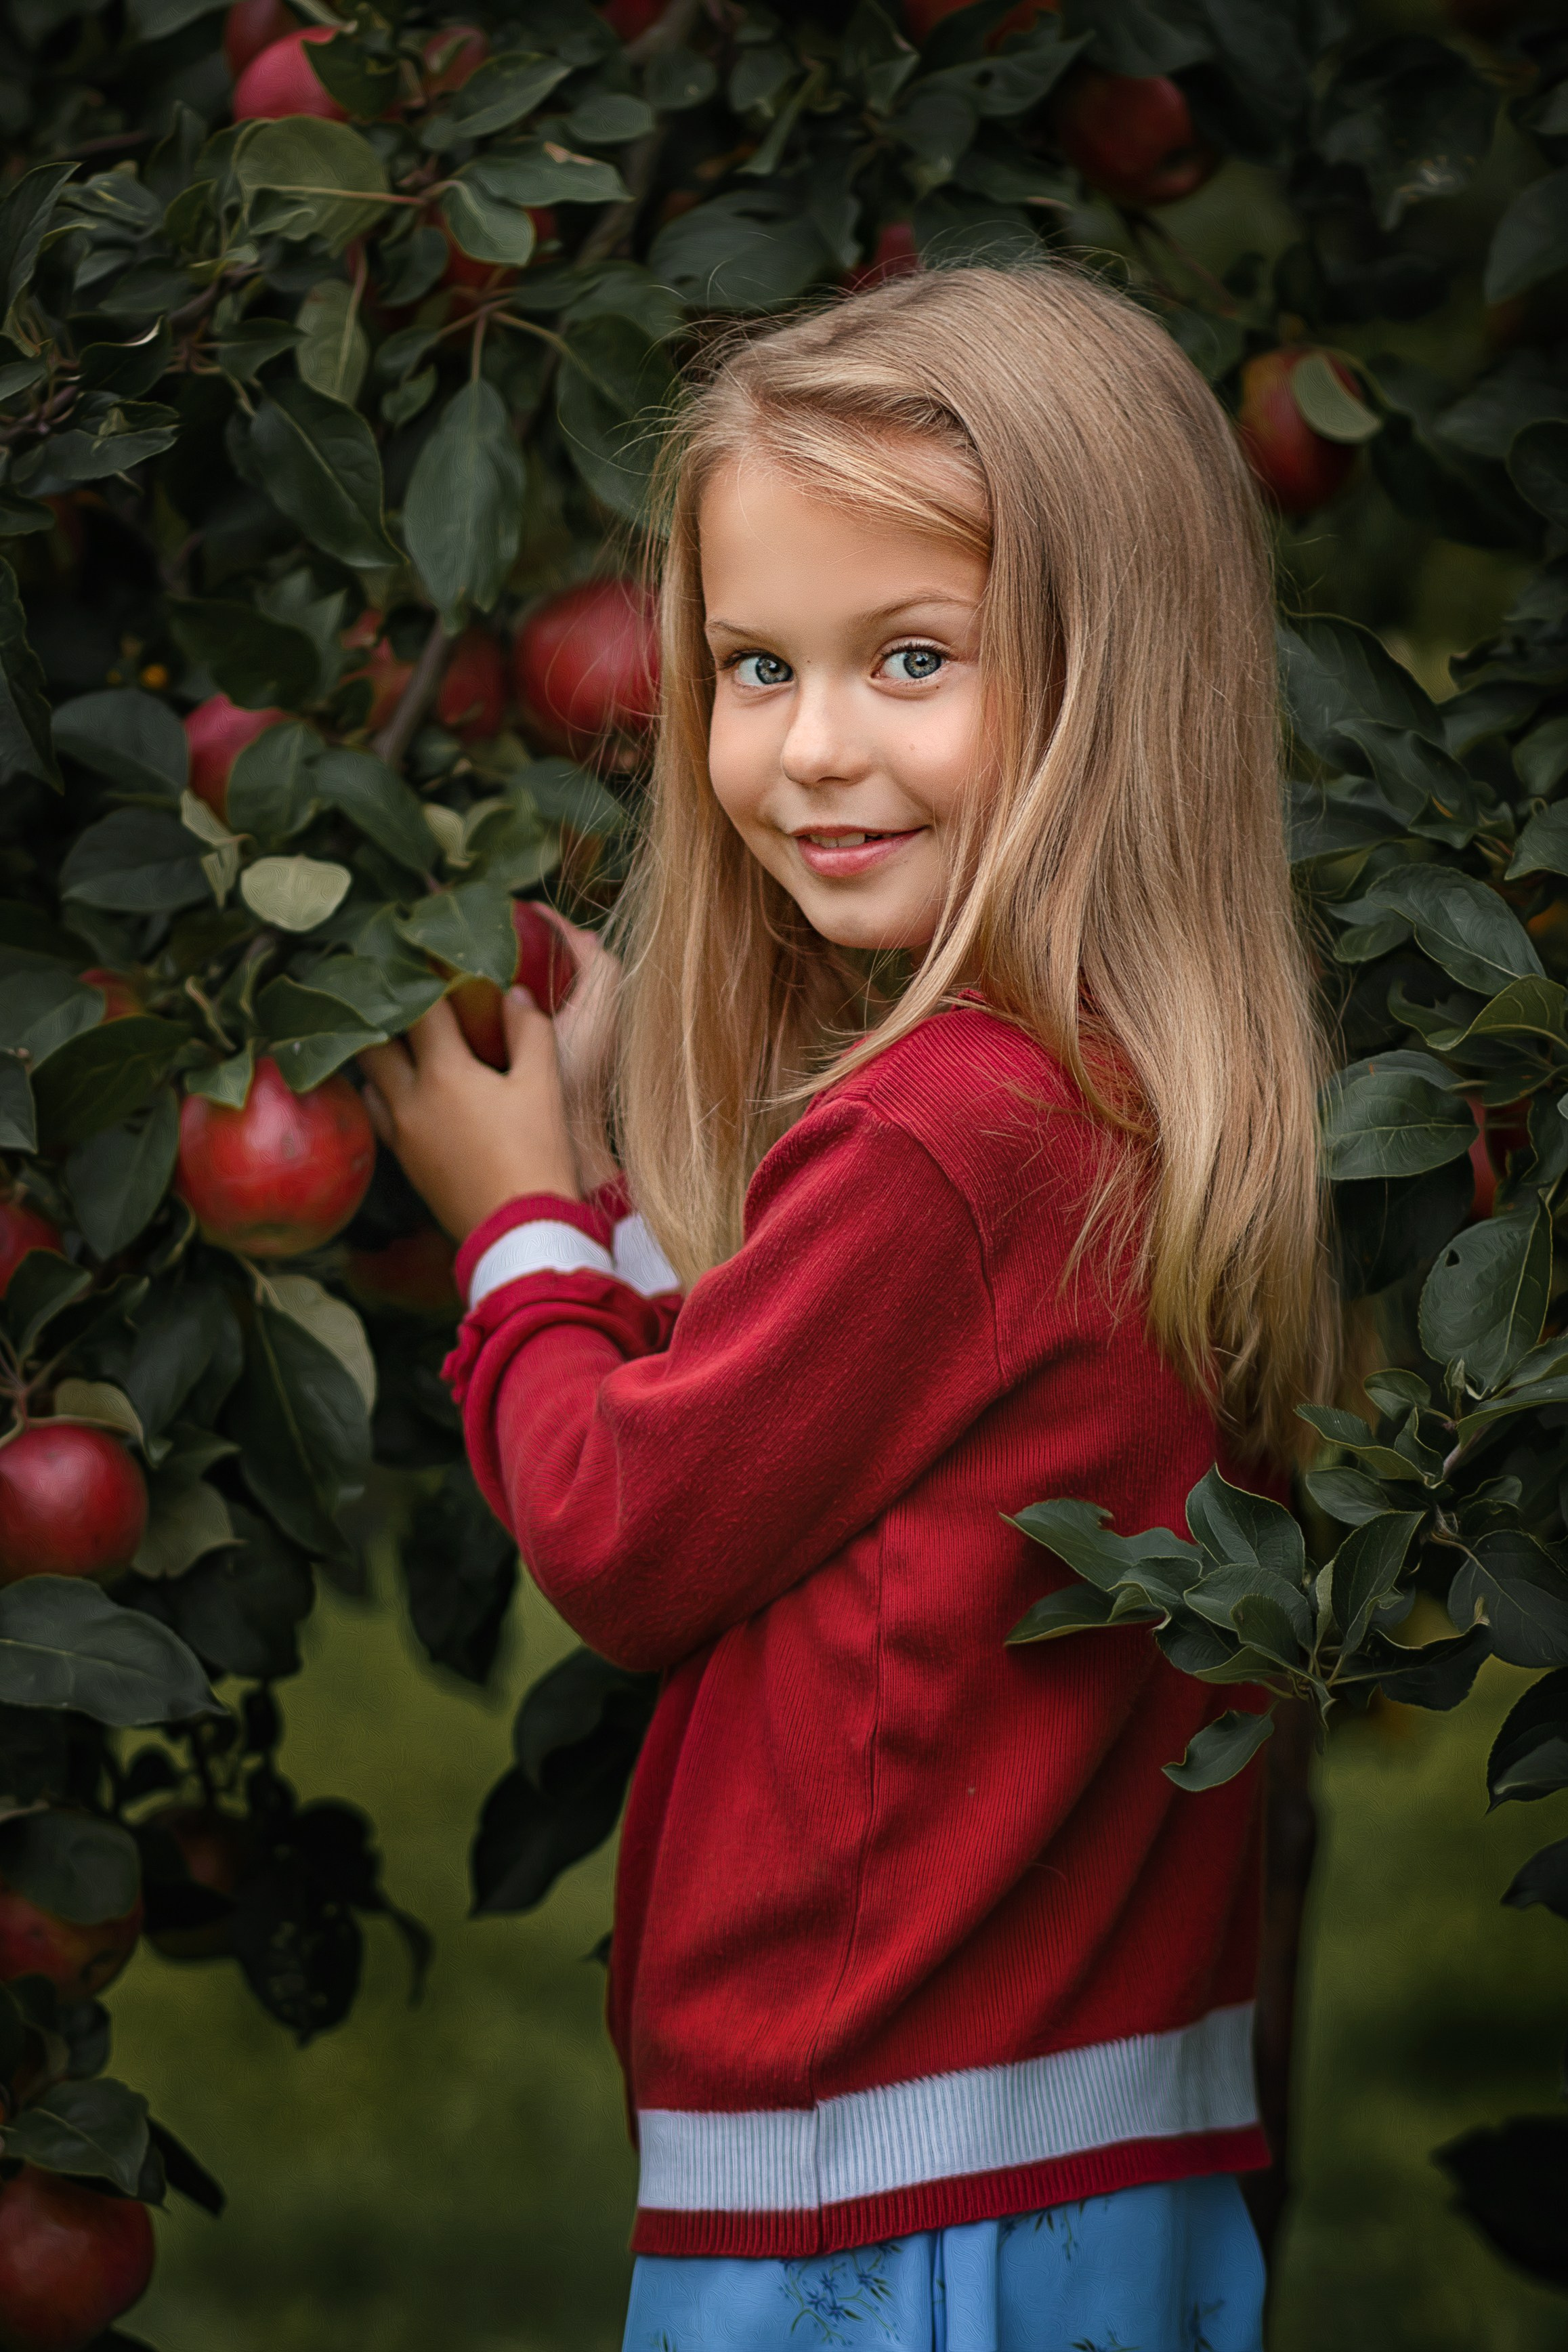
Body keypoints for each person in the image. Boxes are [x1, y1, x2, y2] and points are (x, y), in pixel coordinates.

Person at [359, 263, 1336, 2352]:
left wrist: (517, 1217)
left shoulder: (943, 1138)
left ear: (1114, 673)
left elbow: (631, 1534)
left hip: (883, 2202)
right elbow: (791, 1448)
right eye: (749, 667)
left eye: (911, 658)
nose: (809, 751)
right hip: (1094, 2149)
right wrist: (619, 1183)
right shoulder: (1129, 1091)